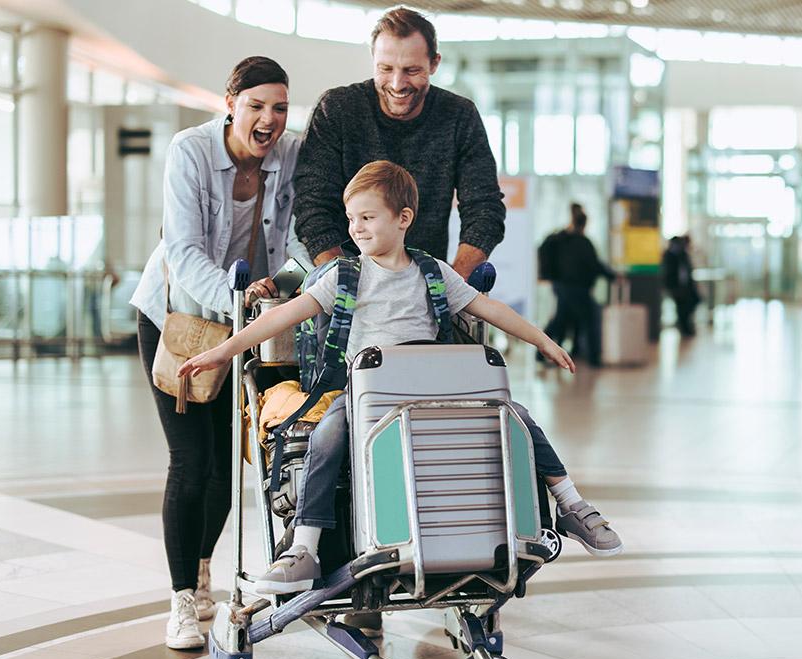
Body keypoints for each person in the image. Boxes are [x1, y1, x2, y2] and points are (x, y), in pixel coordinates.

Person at [178, 162, 624, 619]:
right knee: (327, 434)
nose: (356, 227)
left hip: (432, 392)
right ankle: (305, 548)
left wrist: (543, 340)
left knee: (518, 417)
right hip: (370, 394)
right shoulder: (343, 277)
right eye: (352, 218)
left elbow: (488, 308)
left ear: (403, 218)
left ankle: (571, 504)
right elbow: (284, 315)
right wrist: (224, 351)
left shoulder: (433, 273)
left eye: (368, 217)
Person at [130, 56, 310, 650]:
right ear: (230, 102)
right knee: (190, 460)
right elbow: (181, 251)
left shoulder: (292, 154)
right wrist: (237, 294)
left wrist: (288, 289)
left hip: (241, 326)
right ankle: (183, 598)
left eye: (279, 107)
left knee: (226, 469)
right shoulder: (190, 150)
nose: (269, 119)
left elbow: (298, 235)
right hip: (177, 318)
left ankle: (203, 569)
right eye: (256, 105)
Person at [293, 7, 505, 279]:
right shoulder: (337, 109)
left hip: (427, 287)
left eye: (411, 70)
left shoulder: (459, 116)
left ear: (434, 64)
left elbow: (484, 208)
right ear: (373, 60)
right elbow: (312, 206)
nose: (397, 83)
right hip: (343, 286)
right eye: (386, 69)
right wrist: (344, 282)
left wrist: (451, 286)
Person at [541, 203, 614, 367]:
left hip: (561, 287)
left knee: (561, 320)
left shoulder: (561, 239)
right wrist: (612, 276)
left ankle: (543, 353)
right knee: (589, 319)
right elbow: (595, 265)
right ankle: (594, 358)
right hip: (577, 289)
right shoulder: (582, 242)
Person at [662, 235, 700, 336]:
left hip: (686, 286)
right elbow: (668, 273)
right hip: (676, 287)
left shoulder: (683, 254)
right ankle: (684, 328)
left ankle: (686, 327)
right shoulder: (669, 255)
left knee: (691, 304)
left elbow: (688, 271)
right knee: (681, 308)